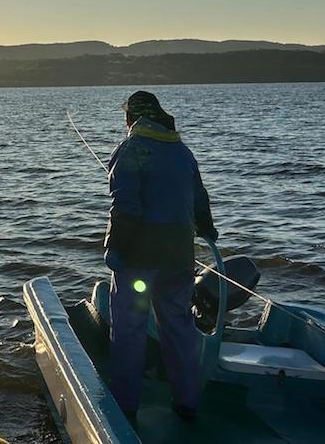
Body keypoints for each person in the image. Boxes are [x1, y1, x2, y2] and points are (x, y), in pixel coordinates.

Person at [104, 91, 217, 423]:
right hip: (181, 256)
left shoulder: (130, 151)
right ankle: (187, 403)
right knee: (180, 327)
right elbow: (200, 201)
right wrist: (208, 231)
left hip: (140, 258)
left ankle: (125, 406)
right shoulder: (183, 152)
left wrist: (114, 247)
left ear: (133, 119)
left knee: (129, 328)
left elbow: (125, 207)